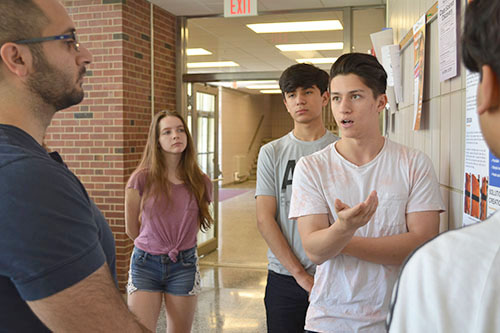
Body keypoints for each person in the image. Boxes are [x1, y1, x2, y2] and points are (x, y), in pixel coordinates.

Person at [0, 0, 149, 331]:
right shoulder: (24, 179)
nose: (86, 56)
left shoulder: (27, 160)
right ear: (17, 58)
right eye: (68, 41)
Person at [288, 53, 445, 332]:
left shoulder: (413, 163)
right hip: (330, 318)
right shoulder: (312, 167)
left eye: (356, 96)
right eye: (336, 98)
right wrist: (344, 229)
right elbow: (314, 251)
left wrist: (340, 236)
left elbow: (422, 243)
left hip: (398, 317)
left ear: (380, 102)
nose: (343, 108)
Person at [387, 0, 500, 331]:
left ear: (488, 87)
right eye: (337, 97)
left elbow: (421, 236)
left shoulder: (448, 270)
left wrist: (340, 239)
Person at [255, 63, 338, 332]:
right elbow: (265, 218)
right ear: (285, 103)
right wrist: (300, 275)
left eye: (307, 92)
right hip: (285, 276)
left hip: (336, 274)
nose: (299, 100)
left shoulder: (342, 148)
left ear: (324, 97)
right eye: (291, 94)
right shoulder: (272, 152)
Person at [125, 110, 213, 333]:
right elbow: (131, 229)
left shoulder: (201, 181)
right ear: (157, 141)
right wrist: (153, 244)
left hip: (184, 264)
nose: (176, 135)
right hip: (146, 263)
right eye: (167, 132)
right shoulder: (141, 178)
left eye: (180, 130)